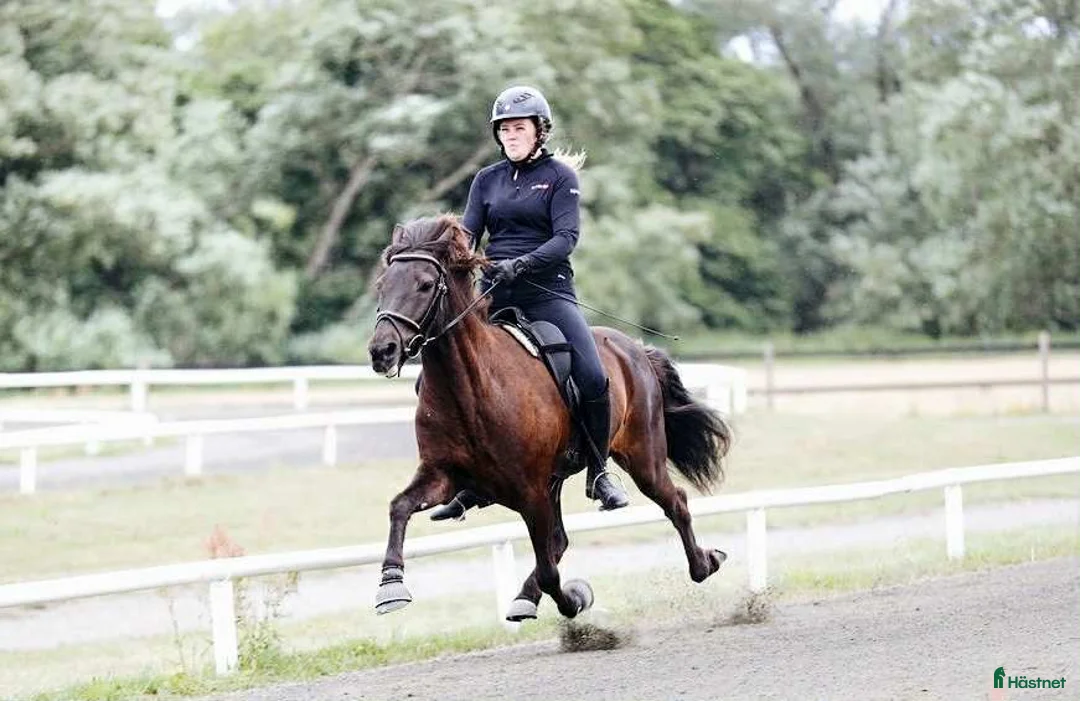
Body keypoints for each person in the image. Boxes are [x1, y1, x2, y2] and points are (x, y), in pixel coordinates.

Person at [429, 85, 630, 520]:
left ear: (539, 131)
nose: (511, 135)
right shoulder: (486, 180)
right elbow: (468, 235)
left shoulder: (560, 178)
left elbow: (565, 240)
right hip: (494, 293)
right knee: (447, 368)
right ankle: (468, 481)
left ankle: (599, 472)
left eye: (519, 128)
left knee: (593, 376)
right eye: (504, 129)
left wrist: (518, 265)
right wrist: (445, 258)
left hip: (548, 292)